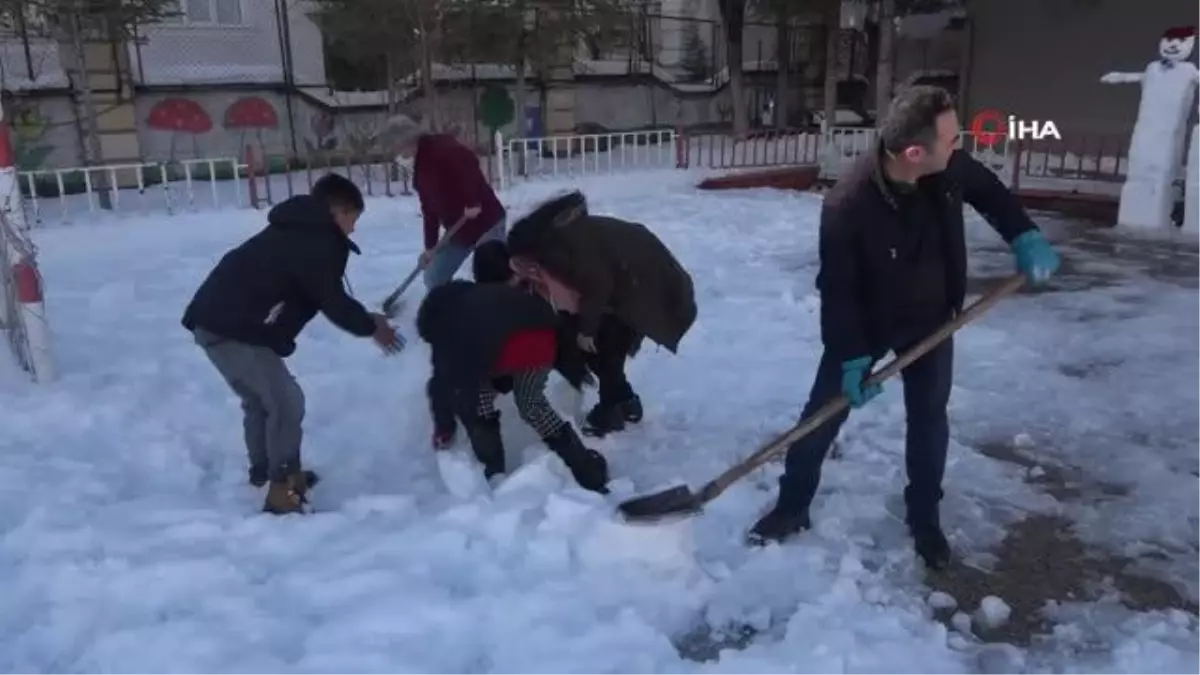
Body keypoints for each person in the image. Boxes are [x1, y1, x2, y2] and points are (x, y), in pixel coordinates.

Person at [747, 85, 1062, 569]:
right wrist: (852, 356)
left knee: (930, 419)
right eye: (952, 139)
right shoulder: (848, 206)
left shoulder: (948, 166)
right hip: (868, 324)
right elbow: (839, 289)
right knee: (823, 414)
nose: (961, 146)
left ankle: (925, 519)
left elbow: (989, 192)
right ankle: (792, 506)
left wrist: (1023, 233)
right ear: (915, 153)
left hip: (932, 318)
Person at [182, 174, 404, 515]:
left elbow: (313, 294)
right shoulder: (314, 240)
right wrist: (369, 326)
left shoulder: (300, 231)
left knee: (260, 400)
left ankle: (264, 471)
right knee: (286, 402)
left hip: (219, 321)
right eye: (353, 218)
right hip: (231, 328)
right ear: (336, 210)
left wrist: (283, 334)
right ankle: (282, 488)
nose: (354, 229)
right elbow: (330, 298)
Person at [505, 191, 698, 437]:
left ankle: (610, 410)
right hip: (630, 279)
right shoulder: (559, 238)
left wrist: (587, 331)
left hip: (647, 286)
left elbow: (597, 286)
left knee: (602, 347)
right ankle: (626, 401)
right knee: (600, 347)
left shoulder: (562, 249)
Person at [416, 269, 609, 494]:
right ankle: (586, 469)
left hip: (509, 350)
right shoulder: (488, 294)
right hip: (543, 341)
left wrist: (444, 428)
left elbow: (442, 385)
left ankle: (493, 471)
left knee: (479, 400)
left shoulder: (448, 329)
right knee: (531, 404)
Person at [384, 113, 507, 289]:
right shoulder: (419, 168)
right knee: (434, 278)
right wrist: (430, 247)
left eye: (398, 147)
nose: (398, 153)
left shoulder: (442, 147)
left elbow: (468, 161)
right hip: (459, 230)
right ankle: (455, 307)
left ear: (407, 141)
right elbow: (429, 210)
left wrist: (473, 201)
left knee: (493, 276)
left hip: (487, 223)